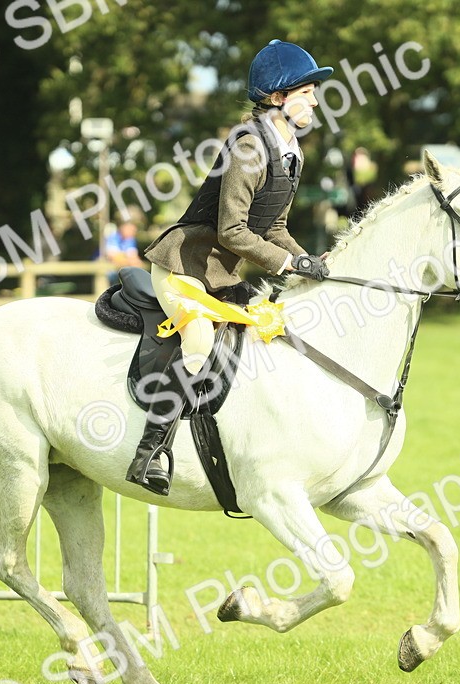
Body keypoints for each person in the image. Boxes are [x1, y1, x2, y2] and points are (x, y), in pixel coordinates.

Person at [125, 38, 333, 494]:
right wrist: (289, 261)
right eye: (307, 91)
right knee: (198, 338)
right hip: (182, 267)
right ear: (278, 97)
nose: (315, 99)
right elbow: (232, 232)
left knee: (269, 329)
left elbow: (274, 226)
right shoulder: (248, 147)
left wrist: (310, 264)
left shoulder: (290, 151)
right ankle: (151, 453)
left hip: (218, 277)